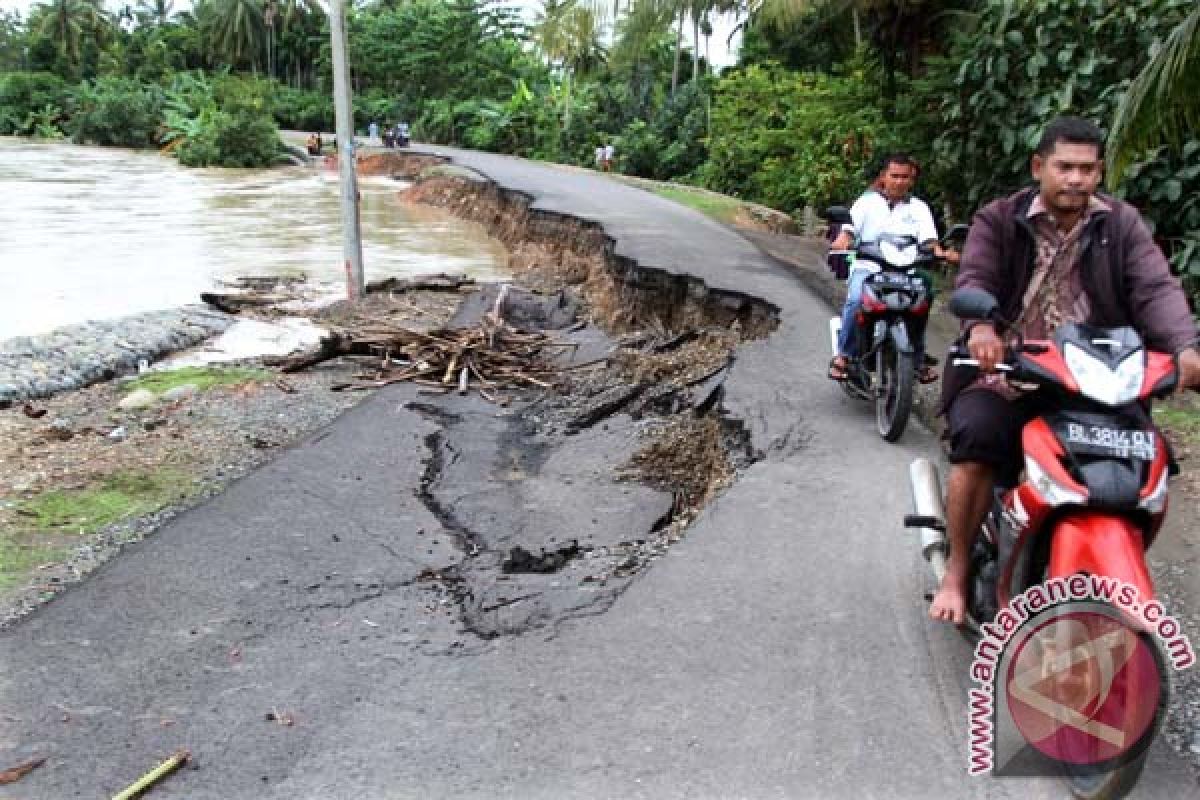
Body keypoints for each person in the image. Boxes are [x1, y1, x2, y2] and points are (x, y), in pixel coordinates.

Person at [929, 116, 1200, 625]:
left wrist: (1185, 348)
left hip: (1097, 383)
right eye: (1064, 167)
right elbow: (977, 273)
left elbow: (1156, 289)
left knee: (1143, 460)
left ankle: (1113, 568)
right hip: (1010, 373)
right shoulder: (1000, 218)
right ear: (1040, 167)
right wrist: (983, 329)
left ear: (1100, 173)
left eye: (1087, 169)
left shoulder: (1121, 225)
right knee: (979, 441)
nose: (1075, 179)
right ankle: (958, 572)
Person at [827, 154, 958, 384]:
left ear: (912, 180)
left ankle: (917, 358)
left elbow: (929, 240)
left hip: (905, 271)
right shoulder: (867, 202)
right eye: (894, 176)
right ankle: (844, 356)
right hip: (869, 267)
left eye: (904, 177)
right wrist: (844, 239)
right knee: (857, 298)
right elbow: (849, 229)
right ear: (883, 177)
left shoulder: (919, 208)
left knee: (924, 294)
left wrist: (940, 251)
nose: (899, 181)